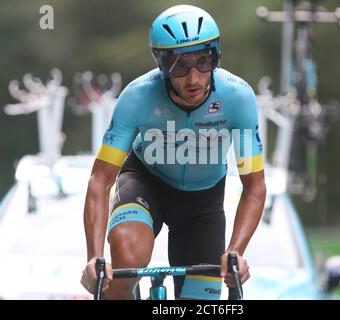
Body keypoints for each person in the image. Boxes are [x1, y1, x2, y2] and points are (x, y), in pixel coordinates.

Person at [80, 4, 266, 300]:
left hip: (203, 203)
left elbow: (254, 187)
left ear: (215, 57)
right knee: (126, 258)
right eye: (179, 66)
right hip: (145, 182)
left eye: (203, 61)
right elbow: (99, 180)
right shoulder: (137, 96)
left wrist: (235, 252)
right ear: (161, 64)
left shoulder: (238, 98)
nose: (192, 78)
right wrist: (94, 258)